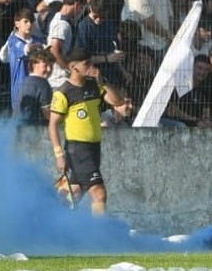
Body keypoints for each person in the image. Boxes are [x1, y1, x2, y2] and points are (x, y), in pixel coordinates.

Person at [48, 47, 133, 214]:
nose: (91, 67)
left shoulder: (94, 85)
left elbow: (118, 101)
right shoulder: (63, 92)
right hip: (78, 149)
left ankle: (49, 217)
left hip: (94, 148)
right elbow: (52, 125)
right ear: (74, 67)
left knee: (75, 191)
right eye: (86, 64)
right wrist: (59, 155)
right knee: (99, 193)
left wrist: (104, 82)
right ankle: (98, 235)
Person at [17, 48, 54, 125]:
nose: (49, 69)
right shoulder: (43, 84)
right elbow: (47, 113)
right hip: (36, 129)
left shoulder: (25, 81)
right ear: (33, 64)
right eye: (45, 65)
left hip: (21, 126)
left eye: (51, 66)